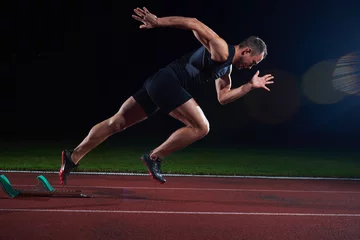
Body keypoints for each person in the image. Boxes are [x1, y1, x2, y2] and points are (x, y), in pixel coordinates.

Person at [59, 7, 274, 185]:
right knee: (201, 127)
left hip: (158, 83)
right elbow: (194, 22)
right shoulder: (222, 49)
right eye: (253, 62)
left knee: (116, 122)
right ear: (246, 51)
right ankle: (154, 157)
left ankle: (72, 157)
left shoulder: (225, 70)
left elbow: (223, 97)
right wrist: (158, 21)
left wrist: (249, 86)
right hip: (167, 83)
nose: (249, 67)